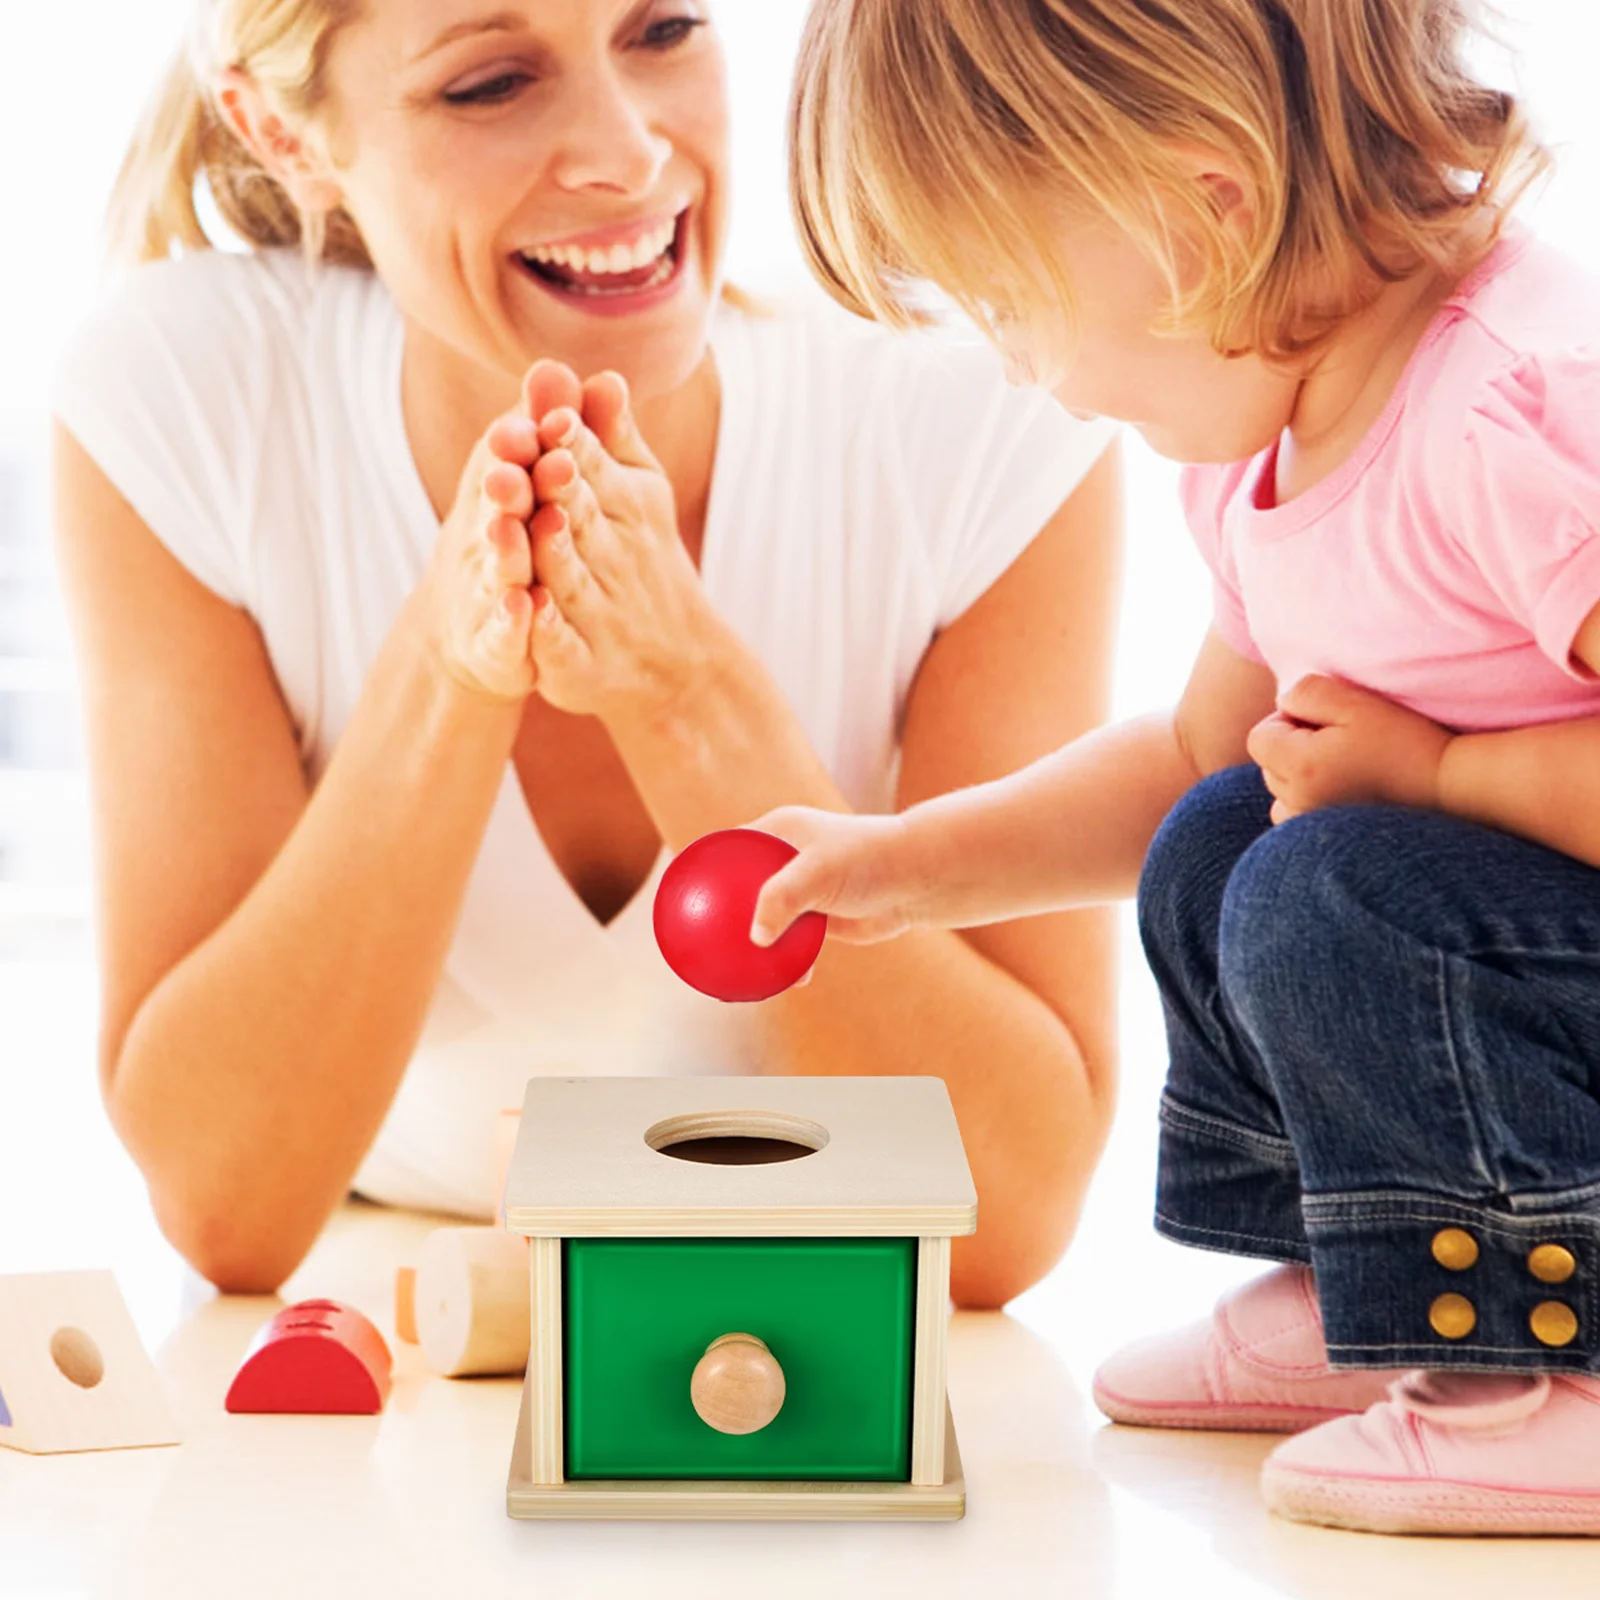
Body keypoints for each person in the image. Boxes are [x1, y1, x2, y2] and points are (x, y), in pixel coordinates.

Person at [49, 0, 1123, 1306]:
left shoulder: (982, 408)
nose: (624, 150)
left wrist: (689, 693)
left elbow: (1003, 1218)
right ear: (283, 130)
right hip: (405, 1326)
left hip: (796, 1319)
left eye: (665, 29)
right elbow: (230, 1206)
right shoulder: (192, 397)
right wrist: (446, 672)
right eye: (493, 83)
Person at [761, 0, 1600, 1535]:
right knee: (1229, 835)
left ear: (1205, 202)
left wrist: (1443, 774)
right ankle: (1383, 1288)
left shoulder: (1520, 415)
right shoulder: (1258, 442)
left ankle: (1557, 1361)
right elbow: (1201, 755)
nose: (1020, 370)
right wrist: (913, 862)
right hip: (1521, 982)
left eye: (1009, 297)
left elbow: (1385, 822)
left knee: (1325, 875)